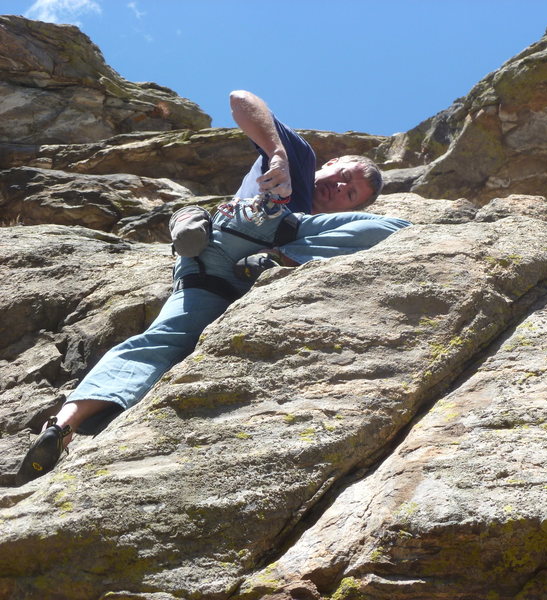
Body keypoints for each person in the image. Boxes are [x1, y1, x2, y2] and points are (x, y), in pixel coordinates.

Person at [16, 90, 410, 485]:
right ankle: (270, 255)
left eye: (350, 193)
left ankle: (62, 428)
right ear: (330, 162)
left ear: (350, 208)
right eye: (342, 175)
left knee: (164, 341)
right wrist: (277, 155)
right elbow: (241, 99)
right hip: (253, 229)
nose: (339, 187)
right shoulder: (299, 161)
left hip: (217, 275)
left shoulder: (326, 222)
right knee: (396, 230)